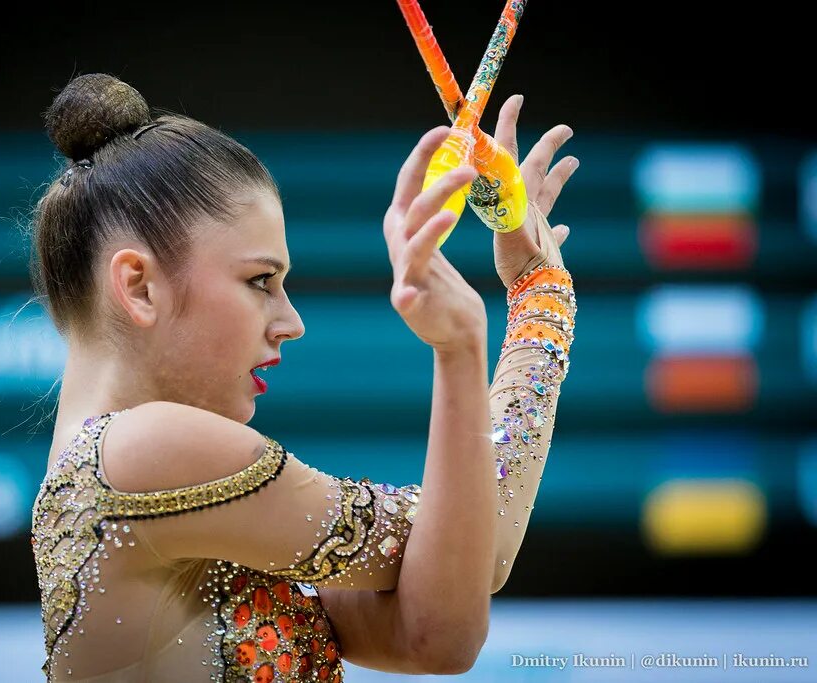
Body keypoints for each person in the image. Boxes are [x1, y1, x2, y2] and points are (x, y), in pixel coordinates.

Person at [29, 73, 577, 682]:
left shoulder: (148, 478)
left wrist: (530, 299)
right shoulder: (144, 451)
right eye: (261, 281)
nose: (291, 322)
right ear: (138, 285)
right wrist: (509, 315)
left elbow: (432, 624)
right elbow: (467, 576)